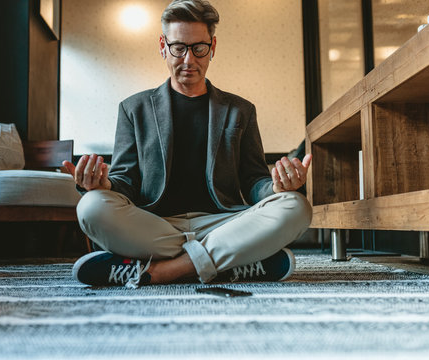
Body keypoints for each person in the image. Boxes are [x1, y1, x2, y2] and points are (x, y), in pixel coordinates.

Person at [63, 0, 313, 289]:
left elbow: (253, 180)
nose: (188, 59)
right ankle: (232, 261)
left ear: (213, 47)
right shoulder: (134, 109)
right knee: (91, 207)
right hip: (155, 226)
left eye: (199, 48)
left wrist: (276, 187)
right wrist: (102, 185)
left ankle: (162, 271)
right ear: (162, 46)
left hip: (222, 223)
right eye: (178, 48)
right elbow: (126, 181)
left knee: (296, 206)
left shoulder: (240, 110)